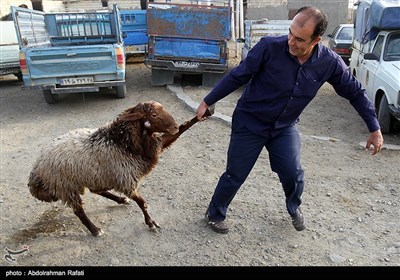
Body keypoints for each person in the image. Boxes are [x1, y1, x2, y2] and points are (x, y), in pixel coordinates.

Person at [196, 6, 384, 234]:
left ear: (316, 40)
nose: (291, 42)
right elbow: (239, 74)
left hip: (284, 127)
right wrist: (208, 101)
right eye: (290, 33)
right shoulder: (269, 47)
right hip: (250, 122)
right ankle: (214, 214)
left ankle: (294, 207)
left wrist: (374, 128)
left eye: (299, 39)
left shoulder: (329, 63)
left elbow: (355, 92)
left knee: (293, 173)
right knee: (235, 173)